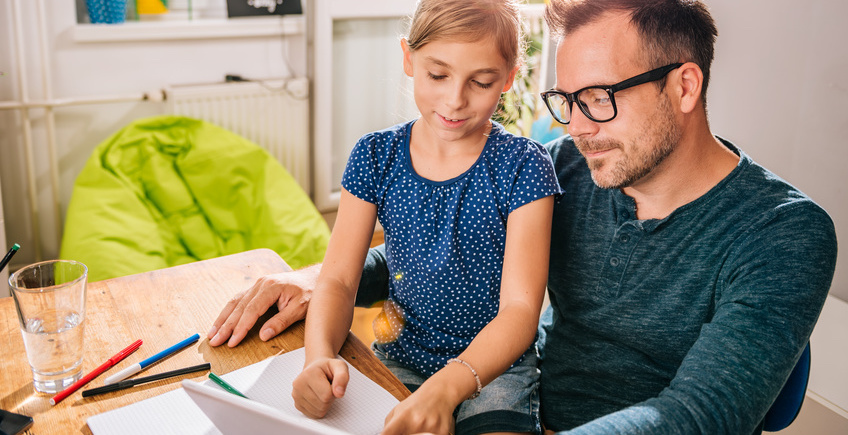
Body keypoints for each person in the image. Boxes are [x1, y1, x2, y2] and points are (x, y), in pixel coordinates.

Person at [209, 0, 838, 434]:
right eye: (568, 101)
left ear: (684, 86)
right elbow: (444, 245)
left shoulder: (785, 233)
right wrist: (317, 282)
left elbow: (699, 418)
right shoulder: (569, 166)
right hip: (516, 404)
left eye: (599, 99)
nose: (579, 128)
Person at [272, 1, 561, 434]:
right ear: (409, 58)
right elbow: (338, 280)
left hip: (496, 371)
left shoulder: (523, 166)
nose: (455, 99)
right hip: (401, 357)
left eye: (480, 82)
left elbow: (521, 310)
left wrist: (449, 387)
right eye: (438, 75)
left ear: (508, 78)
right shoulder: (375, 156)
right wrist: (318, 357)